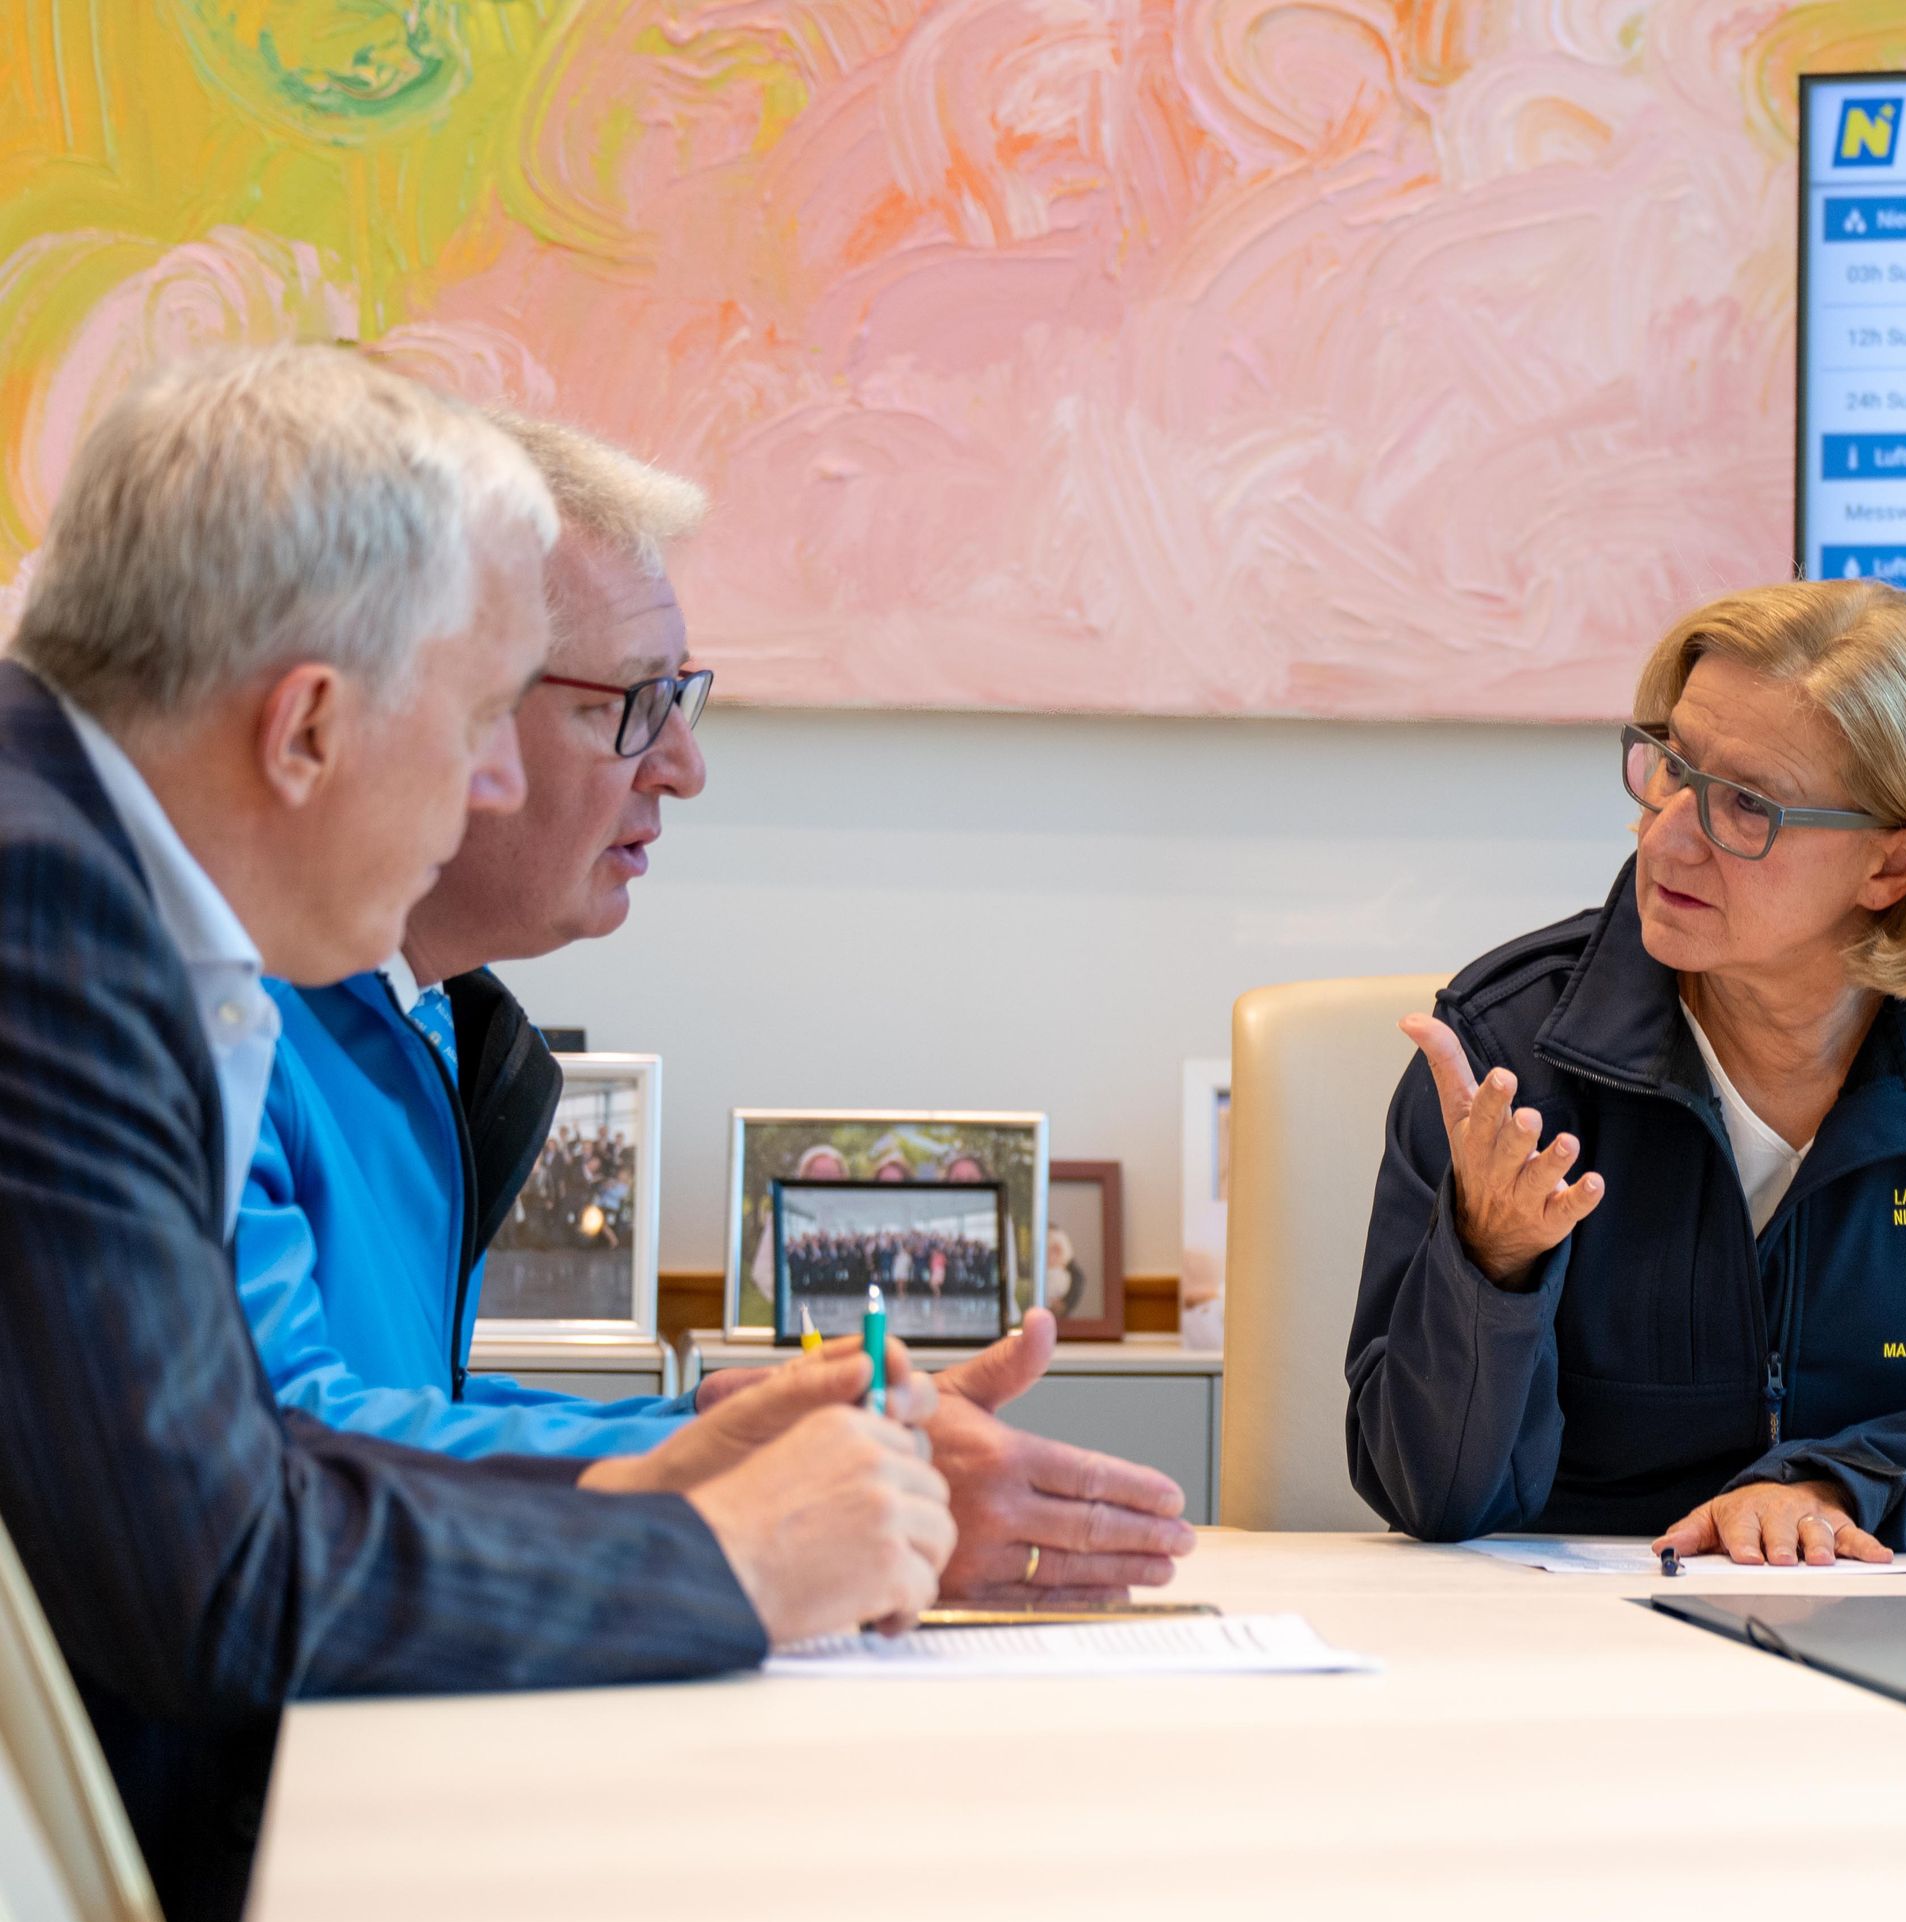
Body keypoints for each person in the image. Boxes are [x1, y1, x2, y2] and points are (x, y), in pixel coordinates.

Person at [0, 347, 958, 1922]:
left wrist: (662, 1463)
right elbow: (219, 1583)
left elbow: (243, 1456)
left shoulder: (89, 880)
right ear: (304, 727)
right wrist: (721, 1559)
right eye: (473, 722)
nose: (494, 786)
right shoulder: (45, 931)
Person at [229, 412, 1193, 1594]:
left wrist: (749, 1430)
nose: (683, 764)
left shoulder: (419, 1027)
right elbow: (289, 1444)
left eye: (682, 697)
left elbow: (415, 1411)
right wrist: (749, 1482)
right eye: (631, 703)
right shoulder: (224, 1014)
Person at [1346, 580, 1906, 1561]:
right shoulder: (1504, 1056)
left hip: (1892, 1612)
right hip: (1567, 1632)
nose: (1666, 833)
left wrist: (1835, 1485)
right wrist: (1492, 1265)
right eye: (1669, 769)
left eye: (1745, 804)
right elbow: (1430, 1496)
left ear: (1891, 868)